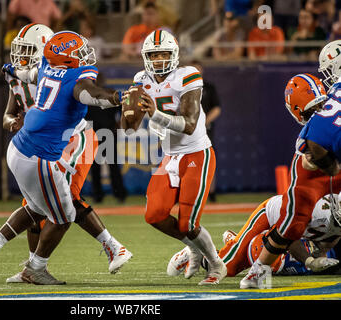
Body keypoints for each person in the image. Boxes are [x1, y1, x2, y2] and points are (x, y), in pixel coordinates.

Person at [0, 30, 128, 285]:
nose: (22, 56)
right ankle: (39, 267)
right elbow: (91, 94)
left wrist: (13, 69)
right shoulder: (71, 76)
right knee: (63, 212)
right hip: (42, 153)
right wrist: (117, 97)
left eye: (27, 49)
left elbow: (31, 74)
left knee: (39, 206)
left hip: (32, 147)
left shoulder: (44, 68)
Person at [122, 29, 227, 285]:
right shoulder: (140, 79)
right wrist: (127, 108)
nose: (158, 59)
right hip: (169, 157)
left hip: (196, 153)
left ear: (175, 55)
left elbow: (189, 124)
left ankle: (216, 264)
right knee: (154, 214)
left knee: (188, 223)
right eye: (153, 54)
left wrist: (155, 114)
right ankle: (191, 248)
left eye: (163, 54)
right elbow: (128, 128)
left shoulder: (188, 75)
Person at [239, 64, 341, 289]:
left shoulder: (333, 95)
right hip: (314, 166)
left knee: (294, 224)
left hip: (324, 157)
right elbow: (310, 151)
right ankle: (258, 269)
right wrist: (330, 166)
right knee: (292, 224)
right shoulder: (315, 130)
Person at [170, 192, 340, 279]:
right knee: (226, 268)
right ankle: (198, 252)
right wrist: (309, 261)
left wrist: (320, 254)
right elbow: (285, 236)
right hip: (271, 215)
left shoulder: (333, 221)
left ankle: (235, 242)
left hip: (291, 231)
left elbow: (328, 240)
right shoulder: (317, 211)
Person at [85, 73, 127, 203]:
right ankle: (106, 195)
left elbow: (123, 106)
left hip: (105, 132)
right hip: (97, 133)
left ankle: (114, 194)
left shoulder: (92, 94)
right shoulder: (106, 93)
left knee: (109, 165)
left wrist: (120, 121)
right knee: (99, 166)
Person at [189, 60, 221, 202]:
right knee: (186, 161)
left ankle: (211, 192)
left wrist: (204, 121)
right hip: (187, 131)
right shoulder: (184, 88)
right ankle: (186, 193)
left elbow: (217, 108)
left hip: (205, 131)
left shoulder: (208, 87)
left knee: (208, 160)